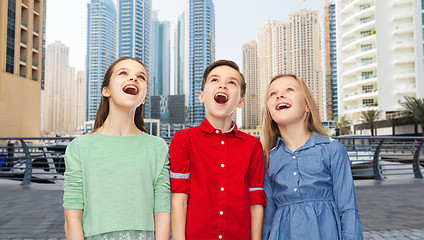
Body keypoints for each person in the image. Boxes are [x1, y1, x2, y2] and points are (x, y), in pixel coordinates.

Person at [63, 57, 170, 240]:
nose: (133, 79)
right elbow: (72, 218)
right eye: (123, 73)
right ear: (106, 90)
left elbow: (162, 213)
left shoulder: (157, 148)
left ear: (143, 97)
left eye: (141, 77)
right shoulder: (79, 148)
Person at [169, 60, 266, 240]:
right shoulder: (183, 140)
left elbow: (256, 201)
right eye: (214, 80)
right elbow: (179, 200)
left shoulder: (253, 146)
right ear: (201, 96)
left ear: (241, 102)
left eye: (232, 82)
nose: (222, 84)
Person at [262, 74, 363, 240]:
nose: (279, 95)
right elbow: (267, 219)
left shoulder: (332, 149)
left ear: (307, 106)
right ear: (270, 112)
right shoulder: (268, 159)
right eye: (272, 94)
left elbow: (348, 208)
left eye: (290, 89)